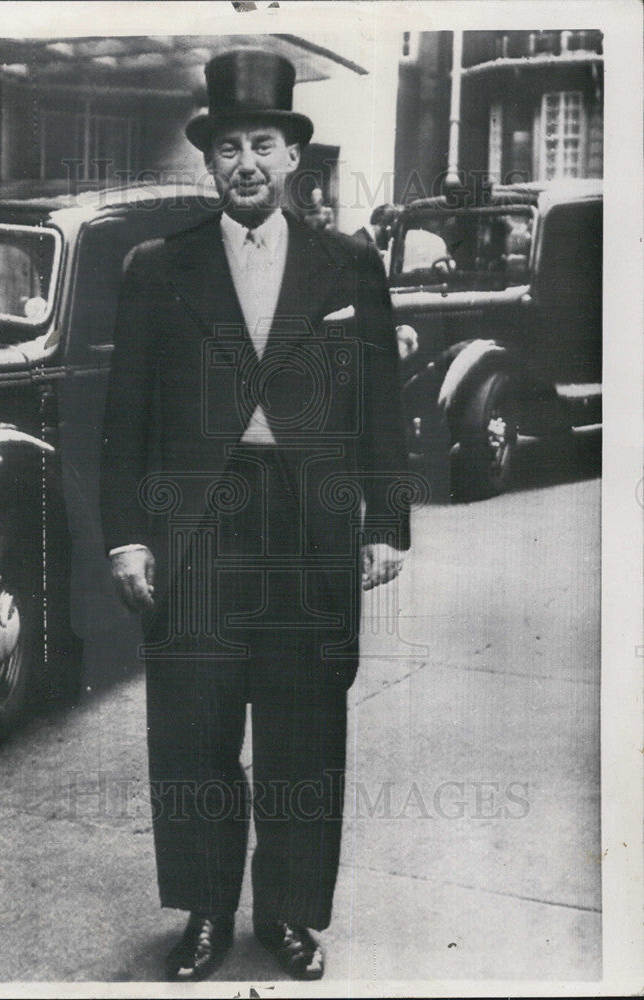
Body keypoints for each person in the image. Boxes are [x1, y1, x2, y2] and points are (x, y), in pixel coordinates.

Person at [100, 48, 410, 982]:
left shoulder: (349, 264)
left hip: (309, 531)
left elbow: (380, 409)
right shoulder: (159, 267)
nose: (245, 161)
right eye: (228, 145)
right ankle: (202, 913)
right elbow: (122, 421)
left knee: (302, 732)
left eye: (262, 143)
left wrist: (385, 522)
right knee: (193, 731)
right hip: (198, 526)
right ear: (209, 160)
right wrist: (127, 534)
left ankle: (286, 916)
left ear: (290, 158)